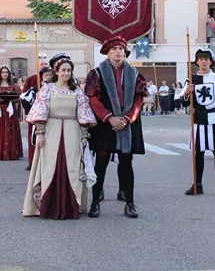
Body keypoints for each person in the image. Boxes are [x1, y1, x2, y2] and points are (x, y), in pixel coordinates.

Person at [22, 58, 97, 219]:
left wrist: (84, 135)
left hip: (72, 131)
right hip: (51, 131)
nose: (66, 73)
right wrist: (40, 133)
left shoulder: (77, 90)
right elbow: (40, 110)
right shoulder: (47, 89)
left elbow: (83, 112)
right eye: (63, 70)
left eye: (69, 70)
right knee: (50, 167)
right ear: (56, 71)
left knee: (72, 167)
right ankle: (49, 206)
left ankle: (70, 206)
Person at [84, 36, 147, 218]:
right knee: (101, 162)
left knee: (126, 162)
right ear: (107, 52)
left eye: (121, 49)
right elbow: (93, 99)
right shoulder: (96, 74)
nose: (118, 52)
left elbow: (138, 99)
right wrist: (109, 117)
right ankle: (95, 203)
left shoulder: (134, 74)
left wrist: (128, 118)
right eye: (114, 49)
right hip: (105, 125)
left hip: (127, 124)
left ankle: (130, 203)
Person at [182, 49, 215, 197]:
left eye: (206, 59)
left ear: (211, 62)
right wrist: (187, 92)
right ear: (197, 62)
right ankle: (197, 185)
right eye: (201, 59)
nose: (203, 61)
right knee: (198, 154)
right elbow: (183, 103)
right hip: (198, 120)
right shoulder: (191, 79)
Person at [21, 63, 53, 171]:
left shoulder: (54, 83)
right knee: (34, 139)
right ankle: (32, 161)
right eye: (45, 75)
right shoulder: (31, 80)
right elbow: (24, 97)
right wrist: (29, 110)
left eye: (49, 74)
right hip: (35, 115)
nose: (47, 76)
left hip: (50, 115)